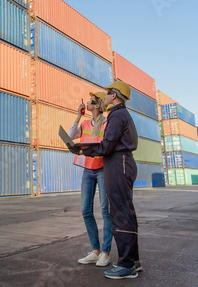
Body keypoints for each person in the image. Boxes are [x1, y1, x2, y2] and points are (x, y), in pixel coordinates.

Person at [77, 81, 140, 279]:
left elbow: (107, 145)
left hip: (118, 165)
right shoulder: (123, 114)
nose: (104, 97)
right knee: (126, 213)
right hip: (122, 164)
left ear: (114, 95)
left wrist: (83, 149)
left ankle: (126, 264)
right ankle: (133, 261)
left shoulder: (116, 115)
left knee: (119, 214)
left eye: (106, 94)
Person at [69, 92, 112, 267]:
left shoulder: (108, 123)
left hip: (102, 168)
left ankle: (106, 253)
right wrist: (77, 116)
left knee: (105, 211)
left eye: (90, 101)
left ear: (97, 105)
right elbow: (72, 135)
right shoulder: (86, 123)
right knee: (86, 210)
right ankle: (95, 251)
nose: (86, 102)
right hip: (88, 169)